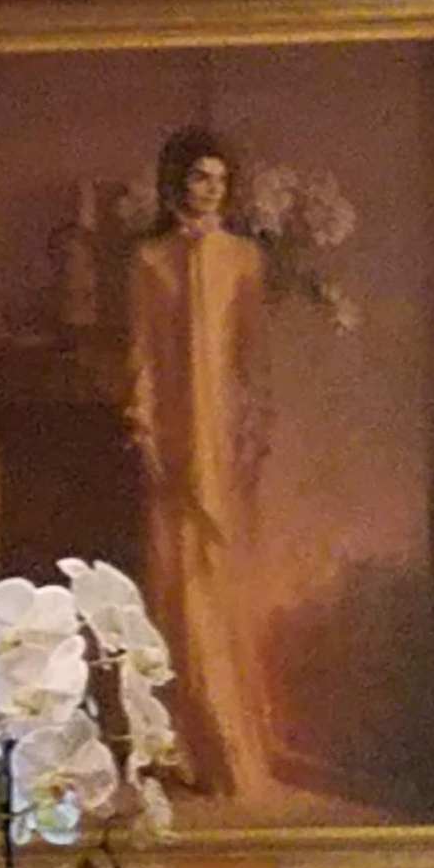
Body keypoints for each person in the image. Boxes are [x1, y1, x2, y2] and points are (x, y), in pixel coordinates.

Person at [122, 127, 272, 796]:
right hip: (173, 435)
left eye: (219, 179)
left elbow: (252, 357)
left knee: (221, 582)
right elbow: (143, 353)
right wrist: (145, 426)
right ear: (176, 182)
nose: (210, 189)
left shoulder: (244, 259)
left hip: (225, 437)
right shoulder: (149, 260)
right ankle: (189, 744)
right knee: (174, 586)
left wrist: (250, 428)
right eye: (198, 177)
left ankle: (235, 748)